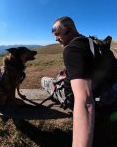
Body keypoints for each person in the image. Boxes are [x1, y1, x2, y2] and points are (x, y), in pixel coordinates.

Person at [51, 16, 95, 147]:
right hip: (108, 95)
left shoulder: (71, 49)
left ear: (69, 29)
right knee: (62, 77)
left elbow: (86, 100)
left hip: (75, 98)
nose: (55, 38)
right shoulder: (91, 42)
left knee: (46, 81)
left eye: (57, 33)